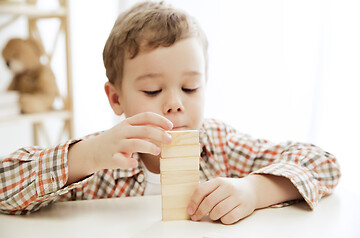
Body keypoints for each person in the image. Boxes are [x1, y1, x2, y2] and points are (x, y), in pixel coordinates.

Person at [0, 1, 340, 224]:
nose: (175, 103)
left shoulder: (218, 143)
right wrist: (84, 156)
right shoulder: (100, 159)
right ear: (116, 99)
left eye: (190, 88)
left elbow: (323, 163)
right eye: (152, 91)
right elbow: (4, 186)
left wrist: (254, 190)